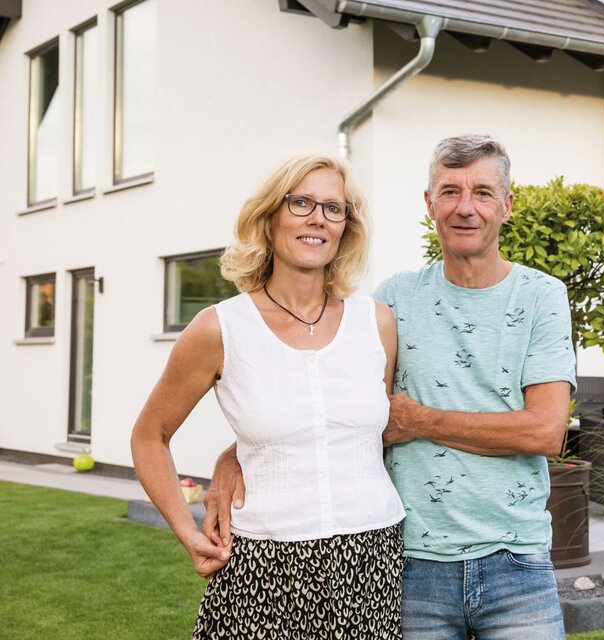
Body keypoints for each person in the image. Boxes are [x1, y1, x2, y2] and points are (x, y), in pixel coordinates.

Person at [205, 135, 576, 639]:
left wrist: (419, 421)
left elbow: (545, 433)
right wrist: (238, 453)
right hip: (412, 563)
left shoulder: (541, 297)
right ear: (429, 205)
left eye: (483, 193)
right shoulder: (391, 304)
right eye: (449, 191)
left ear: (507, 206)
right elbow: (336, 404)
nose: (465, 208)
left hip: (517, 563)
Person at [130, 153, 405, 640]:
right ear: (271, 215)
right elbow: (150, 435)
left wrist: (235, 453)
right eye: (301, 202)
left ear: (346, 227)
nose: (317, 218)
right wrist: (188, 531)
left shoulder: (377, 322)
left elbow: (349, 426)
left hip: (371, 563)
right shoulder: (220, 327)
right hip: (263, 569)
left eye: (333, 208)